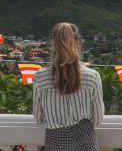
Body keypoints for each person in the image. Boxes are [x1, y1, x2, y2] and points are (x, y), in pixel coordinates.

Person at [33, 22, 104, 151]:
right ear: (77, 43)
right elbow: (98, 119)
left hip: (55, 144)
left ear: (53, 44)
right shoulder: (93, 77)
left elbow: (38, 118)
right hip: (86, 143)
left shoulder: (40, 77)